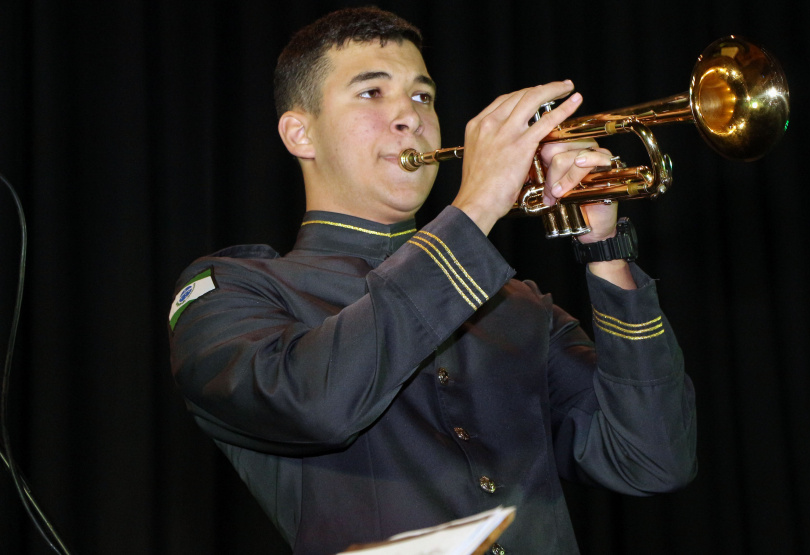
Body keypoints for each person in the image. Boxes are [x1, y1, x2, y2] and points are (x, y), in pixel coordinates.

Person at [168, 7, 696, 554]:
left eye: (422, 97)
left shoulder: (519, 306)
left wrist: (605, 249)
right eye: (372, 93)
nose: (410, 118)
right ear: (300, 133)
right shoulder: (233, 290)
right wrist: (475, 208)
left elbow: (652, 460)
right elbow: (314, 406)